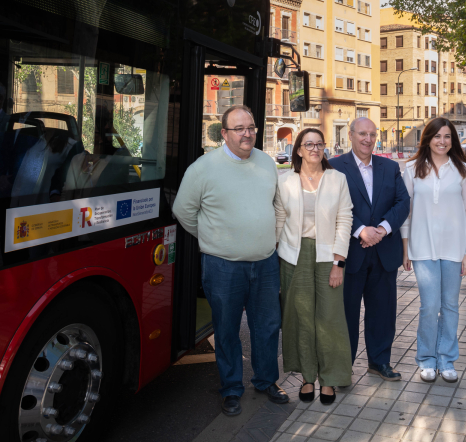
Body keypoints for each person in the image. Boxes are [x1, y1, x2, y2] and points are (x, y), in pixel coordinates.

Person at [172, 105, 287, 416]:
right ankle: (232, 388)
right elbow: (183, 212)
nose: (247, 133)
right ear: (224, 134)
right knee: (226, 329)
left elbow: (278, 207)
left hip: (265, 263)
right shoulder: (202, 169)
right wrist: (212, 239)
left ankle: (266, 381)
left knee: (267, 327)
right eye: (239, 128)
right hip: (222, 266)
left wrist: (271, 238)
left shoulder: (265, 162)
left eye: (250, 127)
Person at [275, 128, 353, 405]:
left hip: (327, 254)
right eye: (308, 144)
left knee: (330, 318)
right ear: (298, 150)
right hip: (293, 256)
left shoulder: (337, 179)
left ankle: (330, 378)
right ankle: (308, 377)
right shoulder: (285, 181)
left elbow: (344, 220)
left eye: (319, 144)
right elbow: (279, 219)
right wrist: (270, 254)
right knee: (300, 317)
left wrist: (338, 263)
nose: (314, 148)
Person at [329, 118, 410, 380]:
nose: (368, 139)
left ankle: (379, 362)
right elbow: (330, 206)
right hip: (350, 253)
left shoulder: (389, 166)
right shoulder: (334, 167)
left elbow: (402, 202)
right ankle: (343, 366)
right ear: (350, 135)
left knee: (383, 312)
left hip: (384, 253)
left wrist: (383, 229)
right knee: (347, 314)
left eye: (372, 134)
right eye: (362, 133)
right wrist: (361, 230)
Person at [401, 118, 466, 383]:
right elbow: (405, 213)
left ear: (453, 140)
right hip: (422, 248)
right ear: (428, 139)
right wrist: (405, 248)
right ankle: (426, 359)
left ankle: (446, 359)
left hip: (454, 249)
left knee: (450, 306)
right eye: (437, 136)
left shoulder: (463, 170)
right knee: (429, 305)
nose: (442, 141)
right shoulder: (411, 169)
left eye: (447, 137)